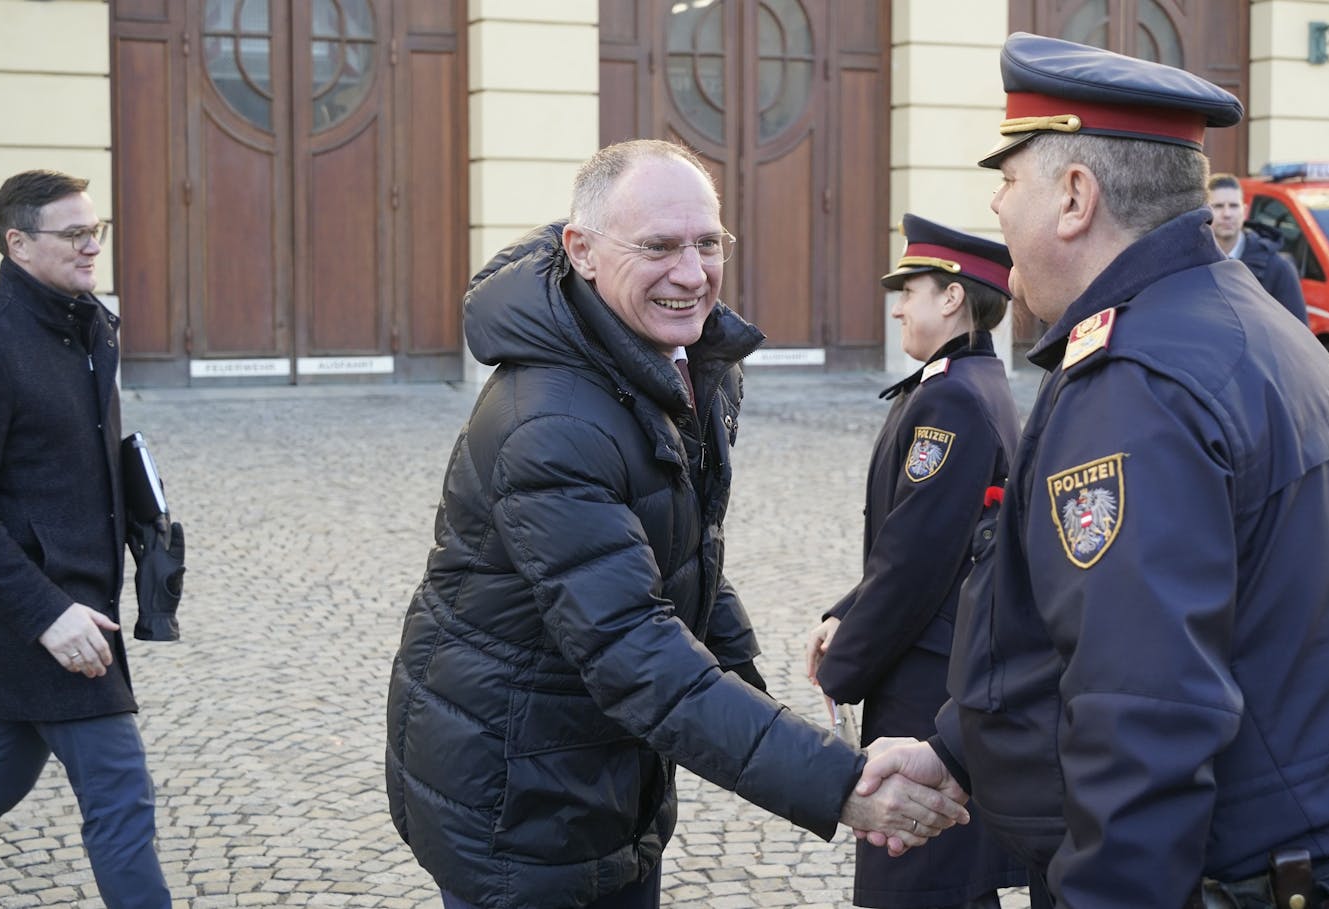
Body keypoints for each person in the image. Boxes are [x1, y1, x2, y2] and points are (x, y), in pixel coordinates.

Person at [858, 35, 1329, 909]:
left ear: (1073, 198)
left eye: (1009, 180)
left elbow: (1142, 710)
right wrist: (953, 750)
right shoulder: (1233, 319)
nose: (995, 205)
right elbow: (1081, 637)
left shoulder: (1136, 384)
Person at [385, 139, 969, 909]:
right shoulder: (551, 419)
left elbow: (681, 556)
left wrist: (777, 721)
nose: (691, 273)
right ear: (582, 251)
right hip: (512, 795)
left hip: (602, 769)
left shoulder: (681, 361)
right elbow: (634, 646)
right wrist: (837, 782)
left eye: (706, 243)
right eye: (658, 246)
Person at [804, 214, 1028, 909]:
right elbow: (913, 537)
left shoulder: (953, 398)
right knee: (954, 884)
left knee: (921, 883)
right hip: (939, 668)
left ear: (954, 298)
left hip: (929, 684)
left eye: (913, 288)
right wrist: (844, 611)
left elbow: (914, 561)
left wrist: (844, 671)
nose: (899, 304)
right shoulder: (956, 383)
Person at [0, 170, 172, 907]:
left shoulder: (88, 321)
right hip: (44, 615)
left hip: (83, 597)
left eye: (98, 231)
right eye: (75, 234)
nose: (93, 247)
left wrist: (147, 529)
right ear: (17, 243)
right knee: (122, 800)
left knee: (3, 763)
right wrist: (46, 614)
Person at [1208, 172, 1308, 324]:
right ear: (1205, 212)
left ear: (1245, 211)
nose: (1227, 214)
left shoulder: (1277, 268)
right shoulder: (1191, 263)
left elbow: (1299, 334)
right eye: (1218, 206)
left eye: (1234, 206)